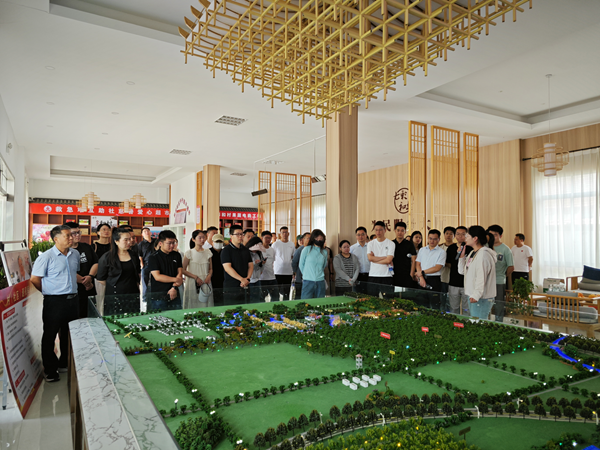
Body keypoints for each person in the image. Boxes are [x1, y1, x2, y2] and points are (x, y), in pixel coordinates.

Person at [31, 225, 81, 382]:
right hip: (54, 301)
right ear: (56, 239)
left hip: (73, 300)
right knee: (50, 335)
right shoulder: (46, 257)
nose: (71, 238)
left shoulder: (75, 254)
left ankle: (64, 363)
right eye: (67, 236)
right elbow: (35, 279)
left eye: (72, 235)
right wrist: (47, 292)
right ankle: (50, 370)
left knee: (69, 334)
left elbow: (73, 273)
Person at [96, 227, 141, 313]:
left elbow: (137, 273)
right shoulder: (107, 258)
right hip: (114, 295)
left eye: (130, 239)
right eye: (126, 240)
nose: (129, 242)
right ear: (116, 241)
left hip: (132, 294)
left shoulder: (134, 255)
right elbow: (101, 279)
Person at [458, 226, 497, 320]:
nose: (465, 238)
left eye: (467, 236)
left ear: (475, 238)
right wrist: (462, 257)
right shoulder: (473, 252)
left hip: (481, 297)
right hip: (472, 295)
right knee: (474, 321)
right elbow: (462, 271)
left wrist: (476, 295)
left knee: (478, 322)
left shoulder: (484, 254)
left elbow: (481, 277)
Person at [64, 222, 98, 318]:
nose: (77, 235)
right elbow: (66, 270)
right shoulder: (64, 250)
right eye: (74, 233)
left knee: (90, 316)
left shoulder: (86, 247)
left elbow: (96, 263)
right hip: (73, 290)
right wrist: (85, 282)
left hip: (89, 288)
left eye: (79, 232)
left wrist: (90, 276)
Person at [147, 230, 183, 310]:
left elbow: (179, 273)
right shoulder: (153, 257)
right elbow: (157, 277)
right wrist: (176, 280)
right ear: (160, 243)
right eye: (169, 243)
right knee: (160, 316)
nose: (172, 245)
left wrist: (174, 287)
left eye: (173, 243)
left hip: (174, 293)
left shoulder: (177, 255)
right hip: (159, 295)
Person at [486, 224, 514, 323]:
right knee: (486, 303)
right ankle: (485, 322)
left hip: (498, 281)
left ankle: (498, 323)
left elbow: (511, 267)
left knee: (498, 304)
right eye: (490, 235)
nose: (493, 237)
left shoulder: (506, 249)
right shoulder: (485, 247)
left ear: (500, 236)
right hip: (485, 281)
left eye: (495, 235)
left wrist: (503, 275)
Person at [220, 224, 253, 305]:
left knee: (246, 309)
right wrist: (241, 279)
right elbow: (228, 268)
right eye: (237, 234)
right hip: (231, 287)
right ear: (231, 236)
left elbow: (251, 265)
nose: (240, 236)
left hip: (245, 285)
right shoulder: (226, 250)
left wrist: (247, 279)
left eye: (241, 234)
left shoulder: (245, 250)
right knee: (232, 310)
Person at [182, 230, 213, 308]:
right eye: (200, 238)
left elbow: (210, 269)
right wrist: (195, 277)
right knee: (193, 303)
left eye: (203, 237)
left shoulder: (208, 252)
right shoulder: (189, 253)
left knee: (205, 303)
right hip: (193, 282)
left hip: (205, 281)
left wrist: (209, 276)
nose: (202, 240)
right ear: (193, 239)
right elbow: (183, 270)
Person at [446, 226, 472, 315]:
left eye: (463, 234)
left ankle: (466, 323)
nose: (460, 236)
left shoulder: (471, 248)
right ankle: (455, 323)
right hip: (453, 282)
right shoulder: (451, 248)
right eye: (458, 234)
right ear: (455, 235)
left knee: (467, 309)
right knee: (453, 308)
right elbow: (448, 263)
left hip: (467, 283)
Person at [415, 229, 446, 298]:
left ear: (439, 239)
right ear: (427, 238)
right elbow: (418, 264)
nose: (432, 241)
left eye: (435, 239)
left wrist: (422, 273)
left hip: (434, 280)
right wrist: (421, 277)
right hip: (421, 278)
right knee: (420, 300)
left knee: (434, 301)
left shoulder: (442, 252)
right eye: (430, 238)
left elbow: (437, 268)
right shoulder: (422, 250)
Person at [299, 229, 328, 299]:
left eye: (321, 238)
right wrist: (306, 274)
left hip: (320, 281)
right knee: (305, 302)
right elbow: (301, 265)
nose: (319, 240)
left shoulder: (324, 252)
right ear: (313, 239)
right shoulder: (306, 249)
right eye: (317, 238)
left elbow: (324, 265)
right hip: (308, 281)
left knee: (320, 302)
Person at [367, 222, 395, 292]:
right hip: (373, 275)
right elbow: (370, 258)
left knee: (387, 298)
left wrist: (374, 259)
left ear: (385, 230)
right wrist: (384, 257)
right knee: (372, 297)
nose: (378, 232)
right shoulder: (370, 243)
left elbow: (388, 260)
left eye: (380, 230)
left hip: (386, 275)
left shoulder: (391, 243)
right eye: (376, 230)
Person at [392, 221, 417, 288]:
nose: (400, 232)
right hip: (393, 275)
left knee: (406, 294)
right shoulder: (391, 244)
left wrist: (411, 275)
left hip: (406, 275)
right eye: (398, 230)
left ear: (405, 232)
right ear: (395, 231)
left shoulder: (410, 244)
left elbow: (414, 260)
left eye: (402, 230)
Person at [256, 230, 278, 300]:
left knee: (275, 297)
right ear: (262, 238)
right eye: (266, 238)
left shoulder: (272, 250)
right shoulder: (258, 250)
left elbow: (272, 262)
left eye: (270, 238)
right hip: (261, 278)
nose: (268, 240)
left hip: (271, 277)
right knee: (261, 298)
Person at [246, 235, 265, 303]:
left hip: (257, 279)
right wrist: (254, 263)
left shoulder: (259, 253)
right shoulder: (246, 253)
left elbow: (261, 267)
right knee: (250, 298)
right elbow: (244, 265)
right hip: (249, 280)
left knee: (257, 298)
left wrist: (262, 263)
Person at [138, 227, 156, 297]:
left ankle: (154, 296)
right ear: (142, 234)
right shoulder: (141, 244)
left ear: (150, 232)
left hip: (155, 263)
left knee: (155, 280)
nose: (147, 232)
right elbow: (140, 255)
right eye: (145, 231)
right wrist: (142, 264)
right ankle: (145, 297)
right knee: (145, 281)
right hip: (146, 264)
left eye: (148, 231)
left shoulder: (155, 241)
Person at [292, 232, 310, 299]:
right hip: (300, 278)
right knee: (299, 296)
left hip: (310, 278)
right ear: (303, 239)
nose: (309, 240)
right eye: (308, 238)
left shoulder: (312, 249)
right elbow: (294, 262)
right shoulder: (299, 250)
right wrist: (295, 272)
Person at [209, 233, 226, 305]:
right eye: (216, 242)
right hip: (212, 279)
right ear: (212, 242)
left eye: (220, 242)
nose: (218, 244)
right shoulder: (208, 252)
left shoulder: (225, 252)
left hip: (223, 279)